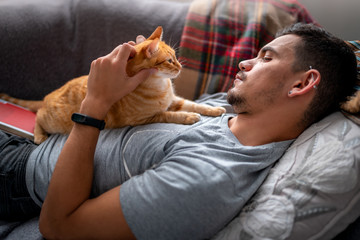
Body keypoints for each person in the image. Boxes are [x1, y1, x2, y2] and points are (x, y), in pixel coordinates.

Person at [0, 23, 357, 239]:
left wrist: (95, 103)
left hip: (15, 176)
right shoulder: (229, 108)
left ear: (302, 84)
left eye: (265, 57)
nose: (244, 61)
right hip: (30, 134)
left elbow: (58, 226)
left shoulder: (208, 179)